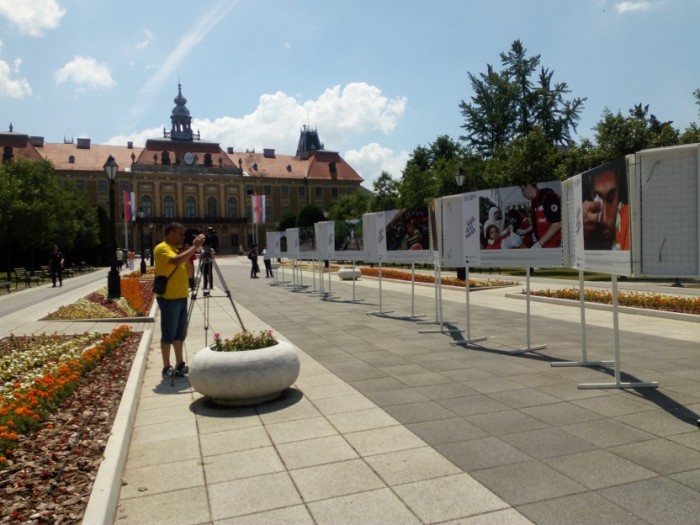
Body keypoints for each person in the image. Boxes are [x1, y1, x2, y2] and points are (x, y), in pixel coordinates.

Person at [154, 222, 205, 379]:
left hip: (182, 296)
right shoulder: (162, 248)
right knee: (168, 334)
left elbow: (190, 274)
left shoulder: (178, 251)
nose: (183, 237)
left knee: (179, 334)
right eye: (180, 234)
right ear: (170, 233)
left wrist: (189, 255)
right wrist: (193, 248)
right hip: (169, 297)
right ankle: (166, 367)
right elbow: (175, 262)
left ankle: (180, 363)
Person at [582, 166, 630, 250]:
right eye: (598, 199)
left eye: (611, 198)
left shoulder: (629, 217)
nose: (605, 220)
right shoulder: (581, 224)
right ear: (590, 191)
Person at [519, 182, 562, 249]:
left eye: (523, 190)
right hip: (543, 244)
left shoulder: (547, 196)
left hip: (554, 246)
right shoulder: (534, 201)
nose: (522, 194)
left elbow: (558, 222)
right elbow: (536, 223)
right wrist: (525, 231)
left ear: (529, 185)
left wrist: (540, 243)